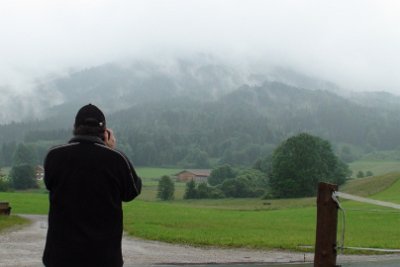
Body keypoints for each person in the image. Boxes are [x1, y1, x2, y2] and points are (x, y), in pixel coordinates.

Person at [42, 104, 142, 267]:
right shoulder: (116, 159)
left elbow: (49, 184)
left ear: (75, 127)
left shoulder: (54, 156)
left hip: (60, 258)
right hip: (104, 258)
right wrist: (111, 150)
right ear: (105, 132)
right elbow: (132, 191)